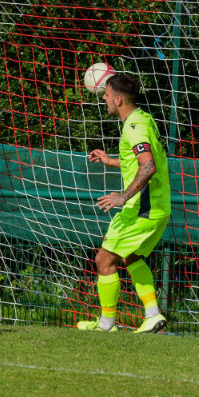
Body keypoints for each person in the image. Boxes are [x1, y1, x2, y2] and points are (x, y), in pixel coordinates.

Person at [78, 73, 171, 333]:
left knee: (104, 260)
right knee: (131, 257)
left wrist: (122, 197)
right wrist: (110, 161)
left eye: (106, 95)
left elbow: (148, 166)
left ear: (118, 100)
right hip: (157, 207)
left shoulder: (134, 127)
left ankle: (107, 325)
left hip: (142, 209)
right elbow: (140, 161)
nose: (104, 99)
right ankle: (152, 315)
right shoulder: (143, 119)